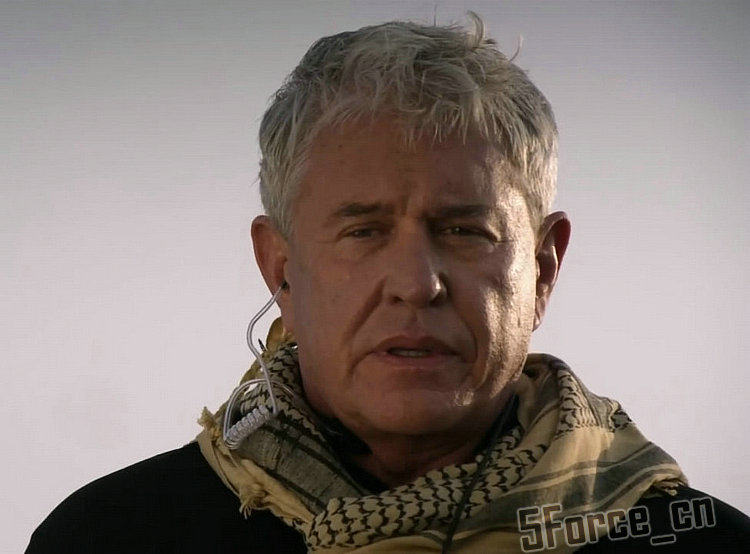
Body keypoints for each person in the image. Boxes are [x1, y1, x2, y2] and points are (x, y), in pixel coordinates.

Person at [27, 13, 749, 553]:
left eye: (463, 230)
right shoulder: (114, 536)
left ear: (543, 269)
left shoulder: (692, 542)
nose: (415, 283)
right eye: (363, 231)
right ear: (280, 269)